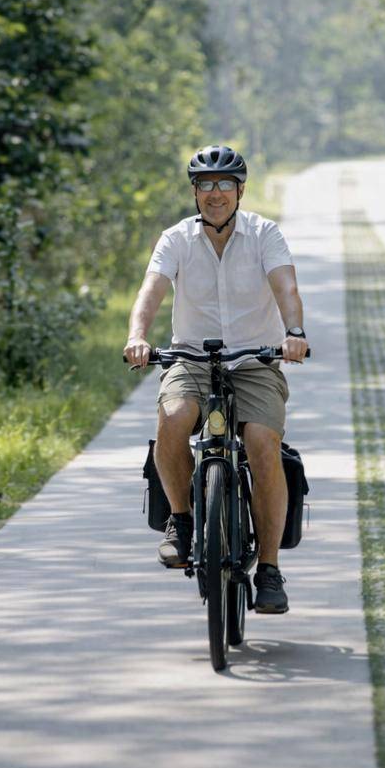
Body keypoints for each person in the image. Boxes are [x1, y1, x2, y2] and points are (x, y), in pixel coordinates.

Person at [123, 145, 309, 614]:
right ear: (195, 192)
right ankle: (182, 523)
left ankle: (268, 569)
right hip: (191, 359)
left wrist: (295, 333)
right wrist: (137, 335)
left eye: (225, 184)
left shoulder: (265, 234)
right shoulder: (176, 238)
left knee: (263, 442)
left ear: (241, 191)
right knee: (173, 417)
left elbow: (285, 285)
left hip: (254, 361)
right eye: (205, 185)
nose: (215, 193)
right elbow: (151, 291)